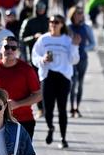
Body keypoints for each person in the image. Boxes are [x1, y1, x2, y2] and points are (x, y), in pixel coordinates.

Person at [32, 14, 81, 148]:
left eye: (57, 22)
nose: (53, 24)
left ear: (62, 24)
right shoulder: (43, 39)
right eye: (52, 21)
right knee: (48, 108)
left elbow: (74, 60)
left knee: (62, 108)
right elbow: (34, 57)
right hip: (48, 76)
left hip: (63, 76)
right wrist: (42, 60)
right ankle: (50, 127)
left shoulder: (67, 40)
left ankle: (63, 137)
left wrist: (75, 46)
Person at [0, 35, 41, 139]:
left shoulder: (27, 70)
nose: (9, 50)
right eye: (6, 47)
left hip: (24, 120)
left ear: (17, 51)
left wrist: (17, 104)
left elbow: (38, 95)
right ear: (1, 49)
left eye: (13, 48)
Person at [68, 7, 96, 118]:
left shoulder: (86, 28)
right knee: (72, 83)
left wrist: (85, 48)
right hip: (72, 60)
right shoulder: (68, 28)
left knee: (80, 83)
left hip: (83, 59)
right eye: (77, 13)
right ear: (72, 15)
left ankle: (77, 108)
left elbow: (93, 43)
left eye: (81, 13)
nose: (79, 15)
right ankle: (71, 108)